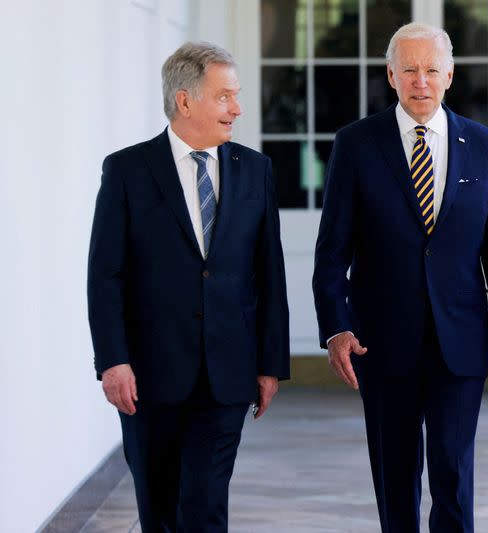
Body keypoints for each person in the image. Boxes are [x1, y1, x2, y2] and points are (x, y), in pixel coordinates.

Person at [312, 22, 488, 533]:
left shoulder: (484, 145)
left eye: (432, 69)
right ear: (391, 75)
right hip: (381, 344)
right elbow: (330, 253)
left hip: (461, 340)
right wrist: (336, 327)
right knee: (395, 473)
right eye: (409, 69)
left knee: (453, 472)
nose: (421, 80)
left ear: (450, 75)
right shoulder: (356, 145)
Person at [87, 41, 290, 532]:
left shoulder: (254, 170)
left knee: (204, 507)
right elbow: (104, 275)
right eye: (224, 97)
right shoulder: (128, 171)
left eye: (236, 96)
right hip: (150, 376)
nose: (237, 108)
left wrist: (270, 365)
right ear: (185, 101)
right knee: (158, 509)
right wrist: (113, 360)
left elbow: (270, 274)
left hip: (227, 375)